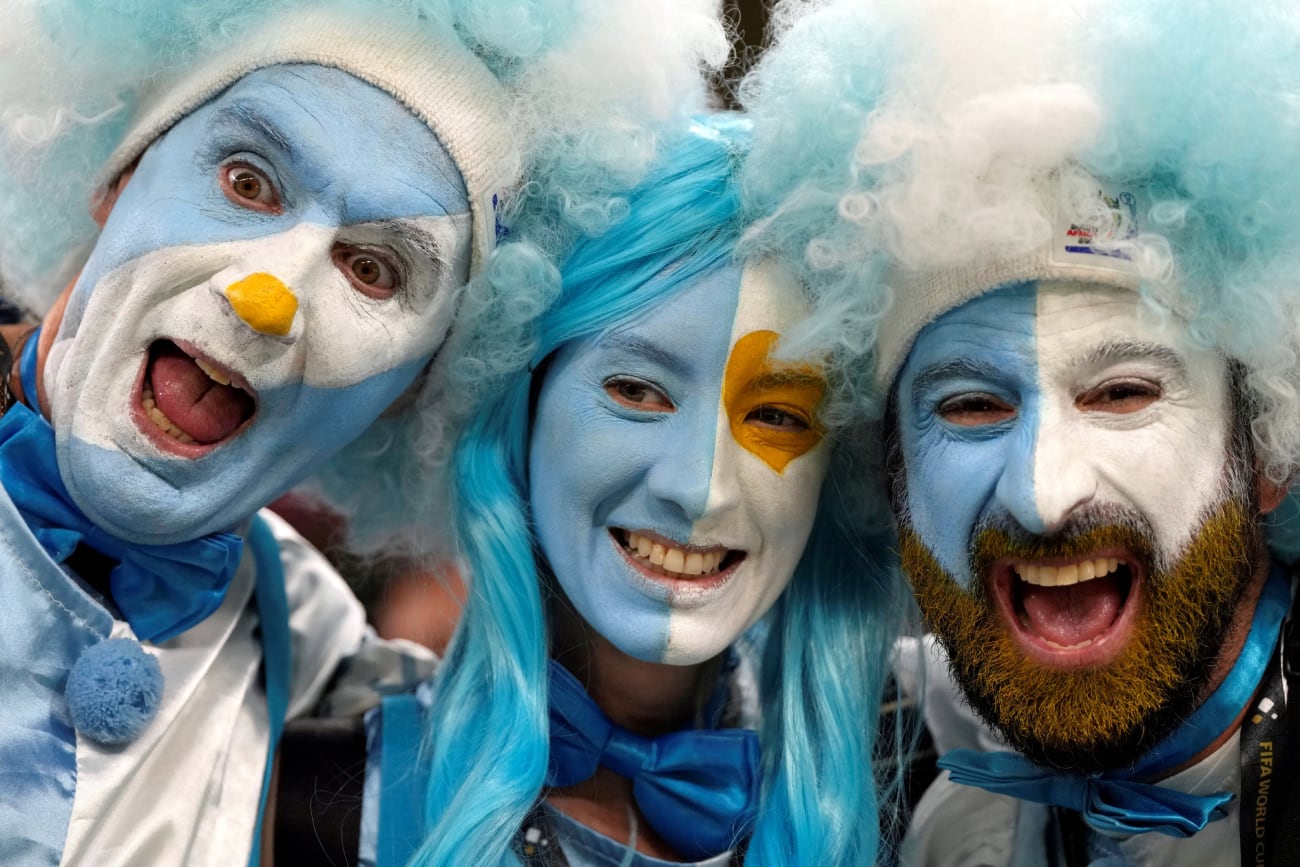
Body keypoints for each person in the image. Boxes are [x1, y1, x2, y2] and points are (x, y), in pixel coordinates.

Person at [0, 1, 726, 864]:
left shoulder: (312, 660)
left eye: (374, 269)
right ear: (119, 174)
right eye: (247, 182)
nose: (269, 297)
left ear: (414, 385)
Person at [741, 1, 1300, 865]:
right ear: (891, 475)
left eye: (1122, 393)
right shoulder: (934, 807)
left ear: (1266, 450)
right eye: (970, 408)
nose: (1042, 493)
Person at [278, 115, 906, 867]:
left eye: (775, 414)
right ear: (521, 407)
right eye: (636, 390)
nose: (698, 490)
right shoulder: (316, 804)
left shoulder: (913, 775)